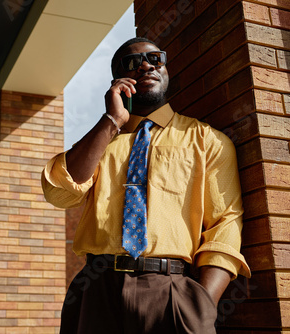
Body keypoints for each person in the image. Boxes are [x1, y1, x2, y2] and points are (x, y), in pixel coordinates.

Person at [41, 37, 251, 333]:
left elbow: (225, 224)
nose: (146, 66)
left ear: (165, 68)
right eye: (132, 62)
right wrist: (111, 120)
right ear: (119, 80)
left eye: (155, 58)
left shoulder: (207, 140)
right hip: (96, 291)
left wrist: (201, 303)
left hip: (172, 292)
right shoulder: (101, 143)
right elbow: (59, 191)